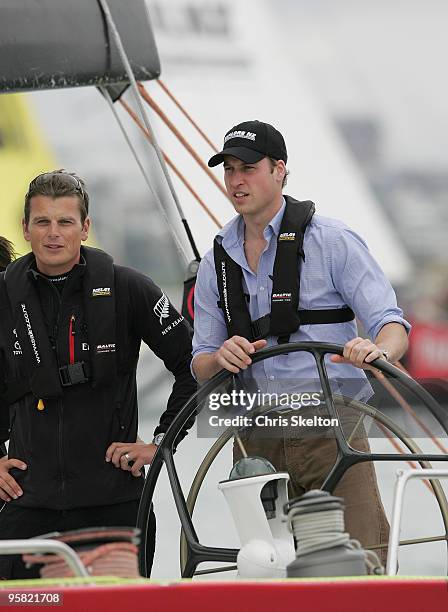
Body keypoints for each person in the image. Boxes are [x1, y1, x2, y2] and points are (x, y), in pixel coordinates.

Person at [191, 120, 411, 565]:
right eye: (229, 169)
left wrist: (377, 352)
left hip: (331, 424)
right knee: (266, 566)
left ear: (279, 171)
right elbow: (200, 363)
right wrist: (219, 357)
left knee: (358, 560)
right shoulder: (215, 260)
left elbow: (392, 325)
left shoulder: (333, 240)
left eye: (248, 168)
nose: (236, 180)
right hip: (254, 434)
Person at [0, 170, 196, 579]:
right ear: (25, 228)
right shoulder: (3, 296)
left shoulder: (129, 289)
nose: (54, 234)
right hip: (27, 508)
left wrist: (162, 444)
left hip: (115, 507)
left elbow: (194, 365)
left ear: (85, 228)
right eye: (43, 222)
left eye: (65, 222)